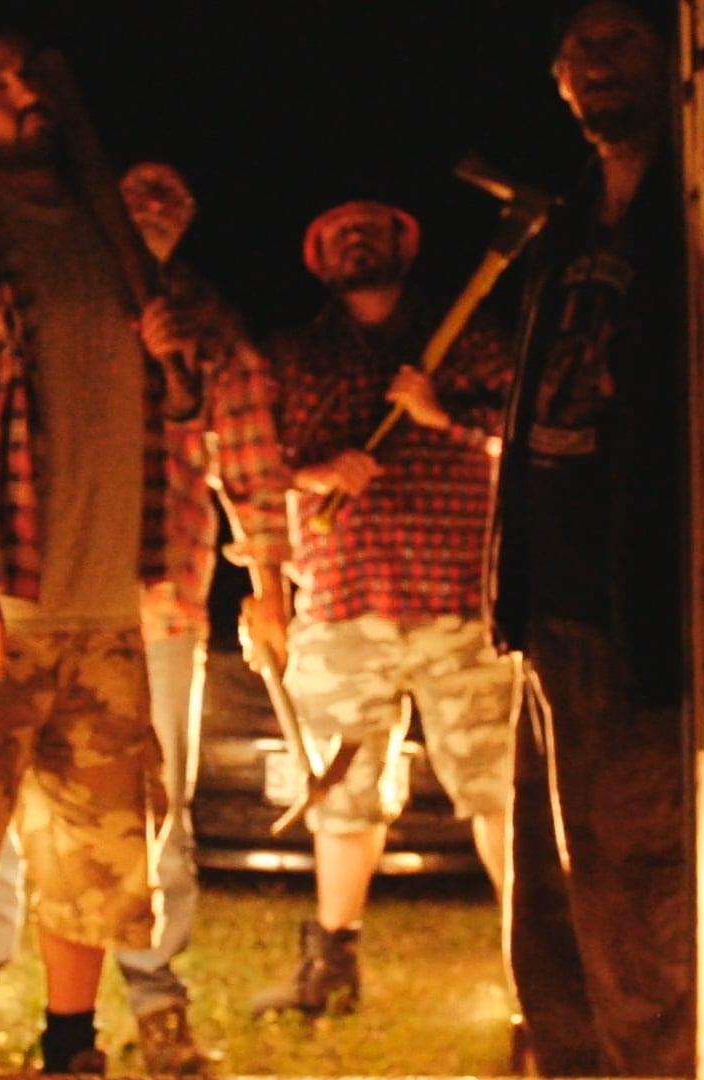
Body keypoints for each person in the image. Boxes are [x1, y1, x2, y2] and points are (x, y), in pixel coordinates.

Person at [0, 20, 239, 1075]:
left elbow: (171, 404)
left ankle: (70, 1051)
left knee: (95, 856)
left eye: (25, 76)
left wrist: (171, 362)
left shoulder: (107, 235)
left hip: (104, 599)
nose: (21, 95)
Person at [483, 2, 693, 1074]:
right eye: (576, 51)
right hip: (551, 608)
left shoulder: (693, 209)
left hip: (635, 606)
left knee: (637, 910)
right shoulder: (566, 227)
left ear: (673, 51)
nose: (592, 63)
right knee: (551, 910)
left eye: (619, 40)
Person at [251, 198, 518, 1018]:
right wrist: (316, 475)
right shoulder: (292, 356)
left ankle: (537, 980)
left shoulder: (473, 339)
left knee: (498, 789)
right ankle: (330, 967)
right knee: (341, 792)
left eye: (373, 227)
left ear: (407, 242)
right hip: (342, 603)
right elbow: (256, 467)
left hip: (461, 604)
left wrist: (446, 416)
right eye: (339, 233)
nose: (357, 240)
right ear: (318, 258)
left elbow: (525, 435)